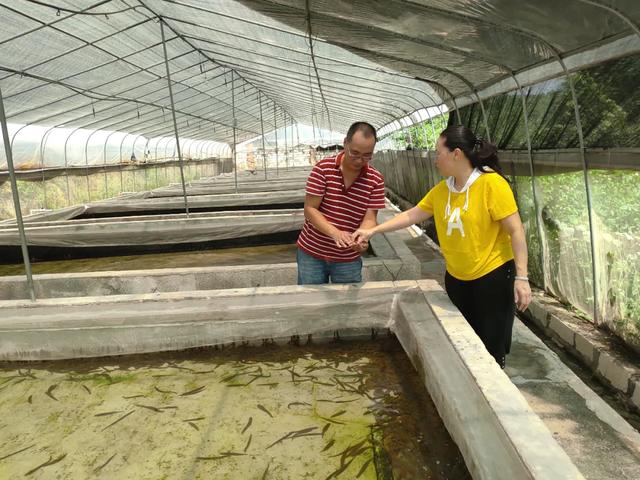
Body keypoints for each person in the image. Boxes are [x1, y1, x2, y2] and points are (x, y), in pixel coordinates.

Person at [353, 125, 532, 368]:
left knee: (491, 347)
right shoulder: (443, 190)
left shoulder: (492, 184)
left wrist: (522, 277)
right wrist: (373, 230)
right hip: (457, 279)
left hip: (492, 277)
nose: (435, 159)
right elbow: (412, 215)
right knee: (465, 343)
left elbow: (516, 231)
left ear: (456, 154)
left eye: (438, 153)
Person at [296, 122, 385, 284]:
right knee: (311, 302)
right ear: (345, 143)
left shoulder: (375, 179)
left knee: (348, 306)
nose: (359, 160)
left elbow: (370, 217)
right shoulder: (323, 169)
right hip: (312, 253)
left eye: (367, 155)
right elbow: (310, 209)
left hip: (348, 257)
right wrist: (335, 233)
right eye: (355, 153)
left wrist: (363, 238)